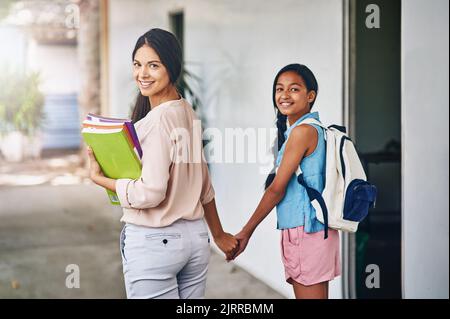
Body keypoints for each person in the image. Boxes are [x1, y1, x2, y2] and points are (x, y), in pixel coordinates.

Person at [87, 28, 238, 299]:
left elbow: (150, 192)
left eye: (153, 65)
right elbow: (205, 187)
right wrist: (218, 235)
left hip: (155, 242)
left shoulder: (157, 123)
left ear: (172, 67)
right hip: (194, 241)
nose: (142, 74)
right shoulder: (186, 111)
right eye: (137, 64)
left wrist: (100, 179)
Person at [229, 64, 341, 299]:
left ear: (311, 96)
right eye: (279, 89)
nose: (284, 95)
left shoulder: (302, 133)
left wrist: (246, 231)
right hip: (316, 231)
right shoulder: (313, 129)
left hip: (305, 232)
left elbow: (276, 190)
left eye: (294, 89)